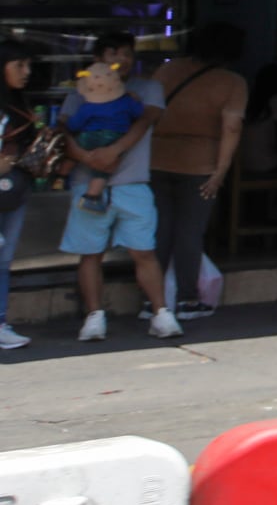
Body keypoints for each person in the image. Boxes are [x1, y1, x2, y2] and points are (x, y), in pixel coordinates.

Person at [58, 61, 179, 341]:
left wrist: (102, 154)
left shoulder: (145, 90)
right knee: (93, 253)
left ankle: (160, 313)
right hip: (97, 182)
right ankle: (95, 316)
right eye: (113, 53)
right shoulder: (83, 96)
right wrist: (93, 156)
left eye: (125, 53)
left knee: (142, 251)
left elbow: (147, 119)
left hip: (127, 183)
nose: (120, 60)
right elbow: (64, 129)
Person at [147, 23, 250, 320]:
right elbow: (231, 127)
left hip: (157, 158)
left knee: (160, 230)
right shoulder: (233, 82)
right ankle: (188, 299)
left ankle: (152, 301)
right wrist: (220, 171)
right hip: (199, 164)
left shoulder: (167, 71)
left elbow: (148, 112)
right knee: (189, 232)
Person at [0, 39, 42, 351]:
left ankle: (0, 322)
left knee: (3, 260)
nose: (26, 72)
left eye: (28, 65)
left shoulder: (19, 104)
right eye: (19, 65)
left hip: (15, 192)